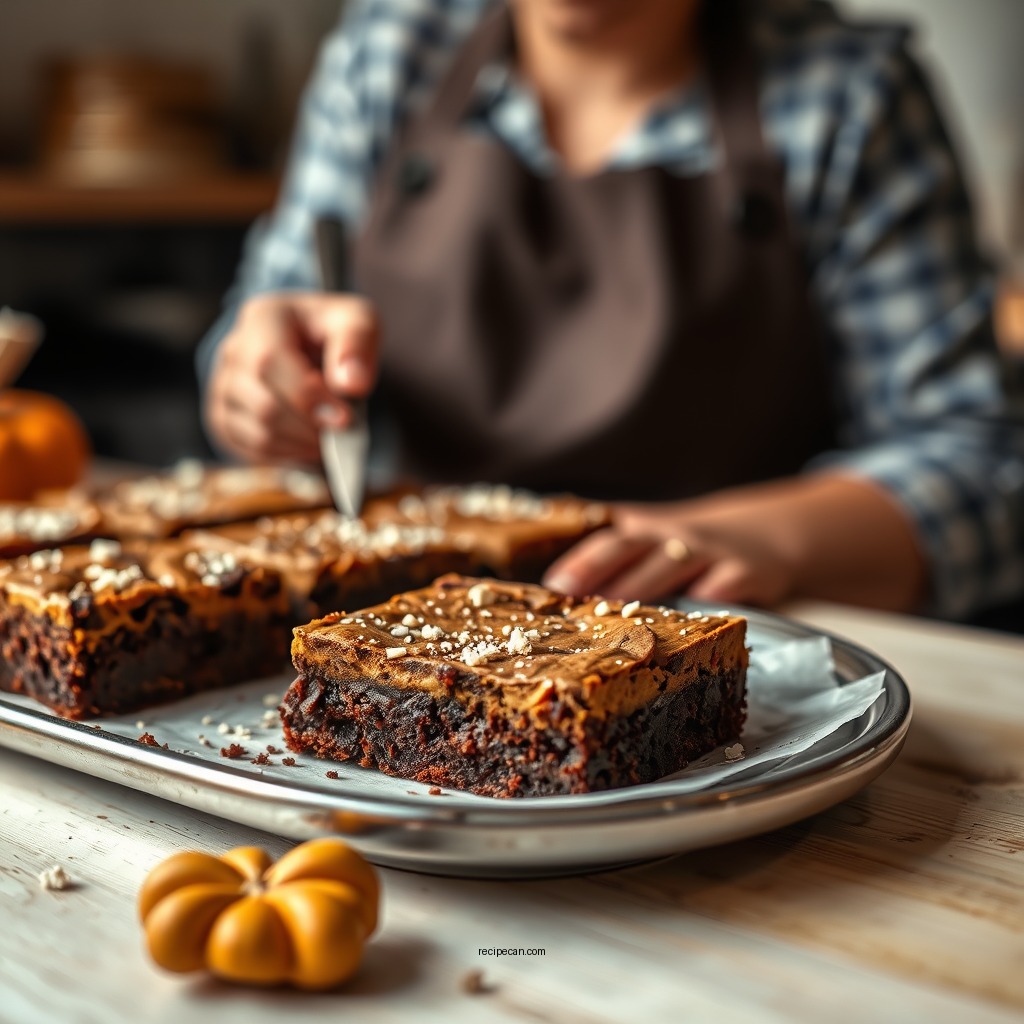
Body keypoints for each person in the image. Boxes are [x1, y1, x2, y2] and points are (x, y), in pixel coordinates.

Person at [198, 0, 1024, 621]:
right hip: (391, 617)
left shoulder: (847, 95)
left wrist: (761, 539)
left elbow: (983, 470)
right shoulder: (390, 49)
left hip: (717, 634)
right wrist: (258, 391)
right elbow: (251, 347)